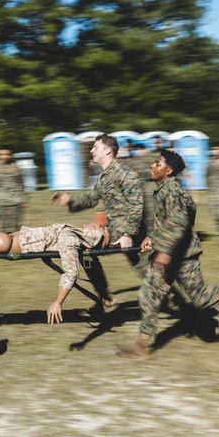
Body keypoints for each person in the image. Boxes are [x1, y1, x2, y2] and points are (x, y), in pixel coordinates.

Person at [116, 149, 219, 361]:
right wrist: (152, 237)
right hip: (175, 250)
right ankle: (144, 346)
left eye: (157, 164)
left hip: (180, 254)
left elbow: (179, 224)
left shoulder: (171, 191)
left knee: (187, 298)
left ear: (169, 170)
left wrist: (163, 252)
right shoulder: (164, 189)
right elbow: (170, 221)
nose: (151, 166)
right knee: (161, 295)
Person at [51, 134, 144, 314]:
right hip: (114, 231)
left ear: (107, 150)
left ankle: (184, 305)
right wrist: (70, 201)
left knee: (152, 273)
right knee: (86, 253)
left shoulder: (124, 173)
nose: (91, 150)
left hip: (127, 233)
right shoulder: (104, 176)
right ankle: (106, 299)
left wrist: (129, 234)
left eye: (95, 147)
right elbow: (92, 199)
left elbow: (136, 204)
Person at [0, 146, 27, 232]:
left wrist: (23, 199)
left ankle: (18, 245)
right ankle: (6, 245)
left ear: (11, 155)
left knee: (17, 229)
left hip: (15, 202)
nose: (4, 156)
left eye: (7, 154)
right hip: (0, 202)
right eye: (1, 154)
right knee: (4, 229)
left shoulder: (16, 167)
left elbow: (21, 183)